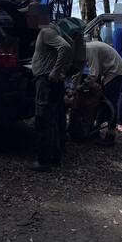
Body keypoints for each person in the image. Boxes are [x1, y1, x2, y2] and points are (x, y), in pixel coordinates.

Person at [30, 16, 85, 172]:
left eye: (29, 16)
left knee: (43, 120)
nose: (28, 19)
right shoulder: (53, 30)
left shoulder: (46, 31)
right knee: (55, 118)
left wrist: (55, 71)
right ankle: (56, 155)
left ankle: (43, 161)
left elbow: (65, 48)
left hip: (46, 82)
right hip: (53, 82)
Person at [84, 40, 122, 140]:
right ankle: (100, 129)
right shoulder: (88, 47)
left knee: (108, 103)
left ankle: (109, 133)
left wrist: (84, 85)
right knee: (106, 102)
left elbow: (94, 73)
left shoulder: (89, 49)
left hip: (115, 71)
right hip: (112, 71)